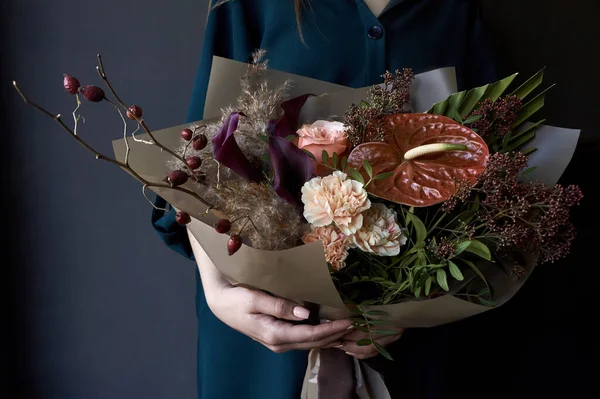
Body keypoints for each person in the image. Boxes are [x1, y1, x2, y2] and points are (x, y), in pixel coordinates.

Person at [152, 0, 499, 397]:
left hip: (413, 340)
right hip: (264, 332)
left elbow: (491, 166)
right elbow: (198, 162)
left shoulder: (459, 12)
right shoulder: (254, 6)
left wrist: (420, 306)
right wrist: (219, 295)